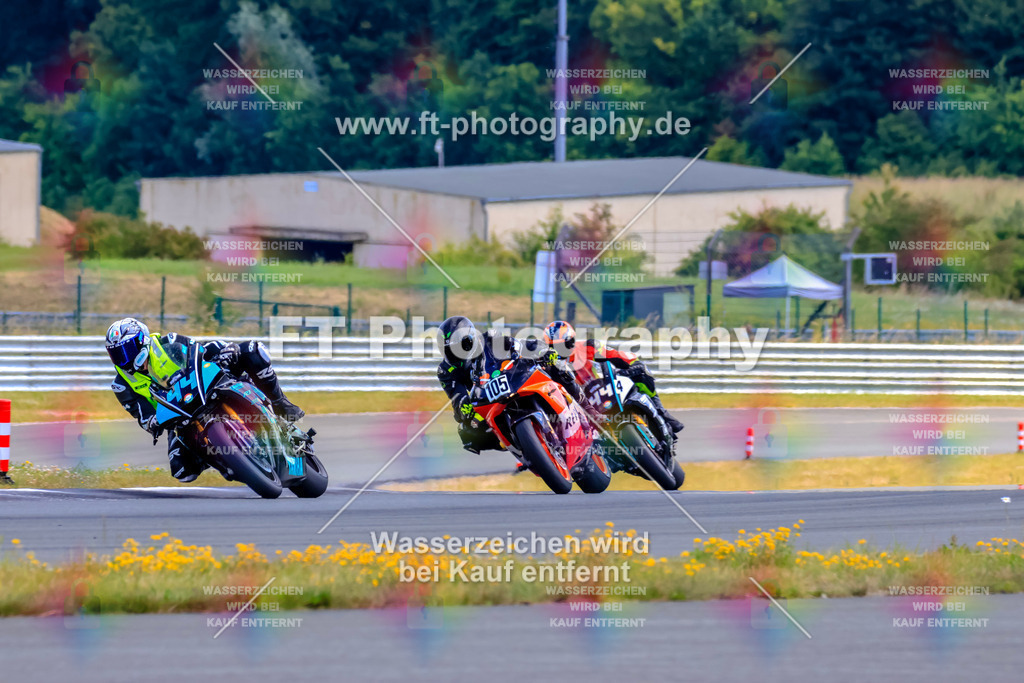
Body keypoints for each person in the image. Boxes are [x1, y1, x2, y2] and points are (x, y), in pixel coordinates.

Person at [104, 318, 304, 481]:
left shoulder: (168, 342)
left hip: (208, 385)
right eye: (116, 354)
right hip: (179, 416)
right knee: (182, 471)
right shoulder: (122, 385)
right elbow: (143, 416)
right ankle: (228, 459)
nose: (124, 358)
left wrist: (224, 351)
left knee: (251, 350)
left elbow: (200, 351)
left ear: (142, 340)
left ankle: (280, 404)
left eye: (127, 349)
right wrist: (152, 423)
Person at [435, 316, 584, 454]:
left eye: (459, 347)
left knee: (552, 364)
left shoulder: (490, 338)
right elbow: (457, 396)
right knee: (466, 431)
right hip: (487, 398)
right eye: (448, 350)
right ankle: (519, 446)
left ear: (471, 339)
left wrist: (543, 351)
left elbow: (520, 345)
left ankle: (584, 403)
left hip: (514, 377)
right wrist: (464, 408)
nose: (454, 354)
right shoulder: (445, 371)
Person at [542, 320, 685, 435]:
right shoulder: (549, 368)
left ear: (572, 340)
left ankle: (662, 414)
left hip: (608, 385)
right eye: (556, 347)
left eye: (565, 344)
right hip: (584, 405)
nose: (562, 350)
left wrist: (631, 365)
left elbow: (616, 356)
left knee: (642, 372)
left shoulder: (589, 346)